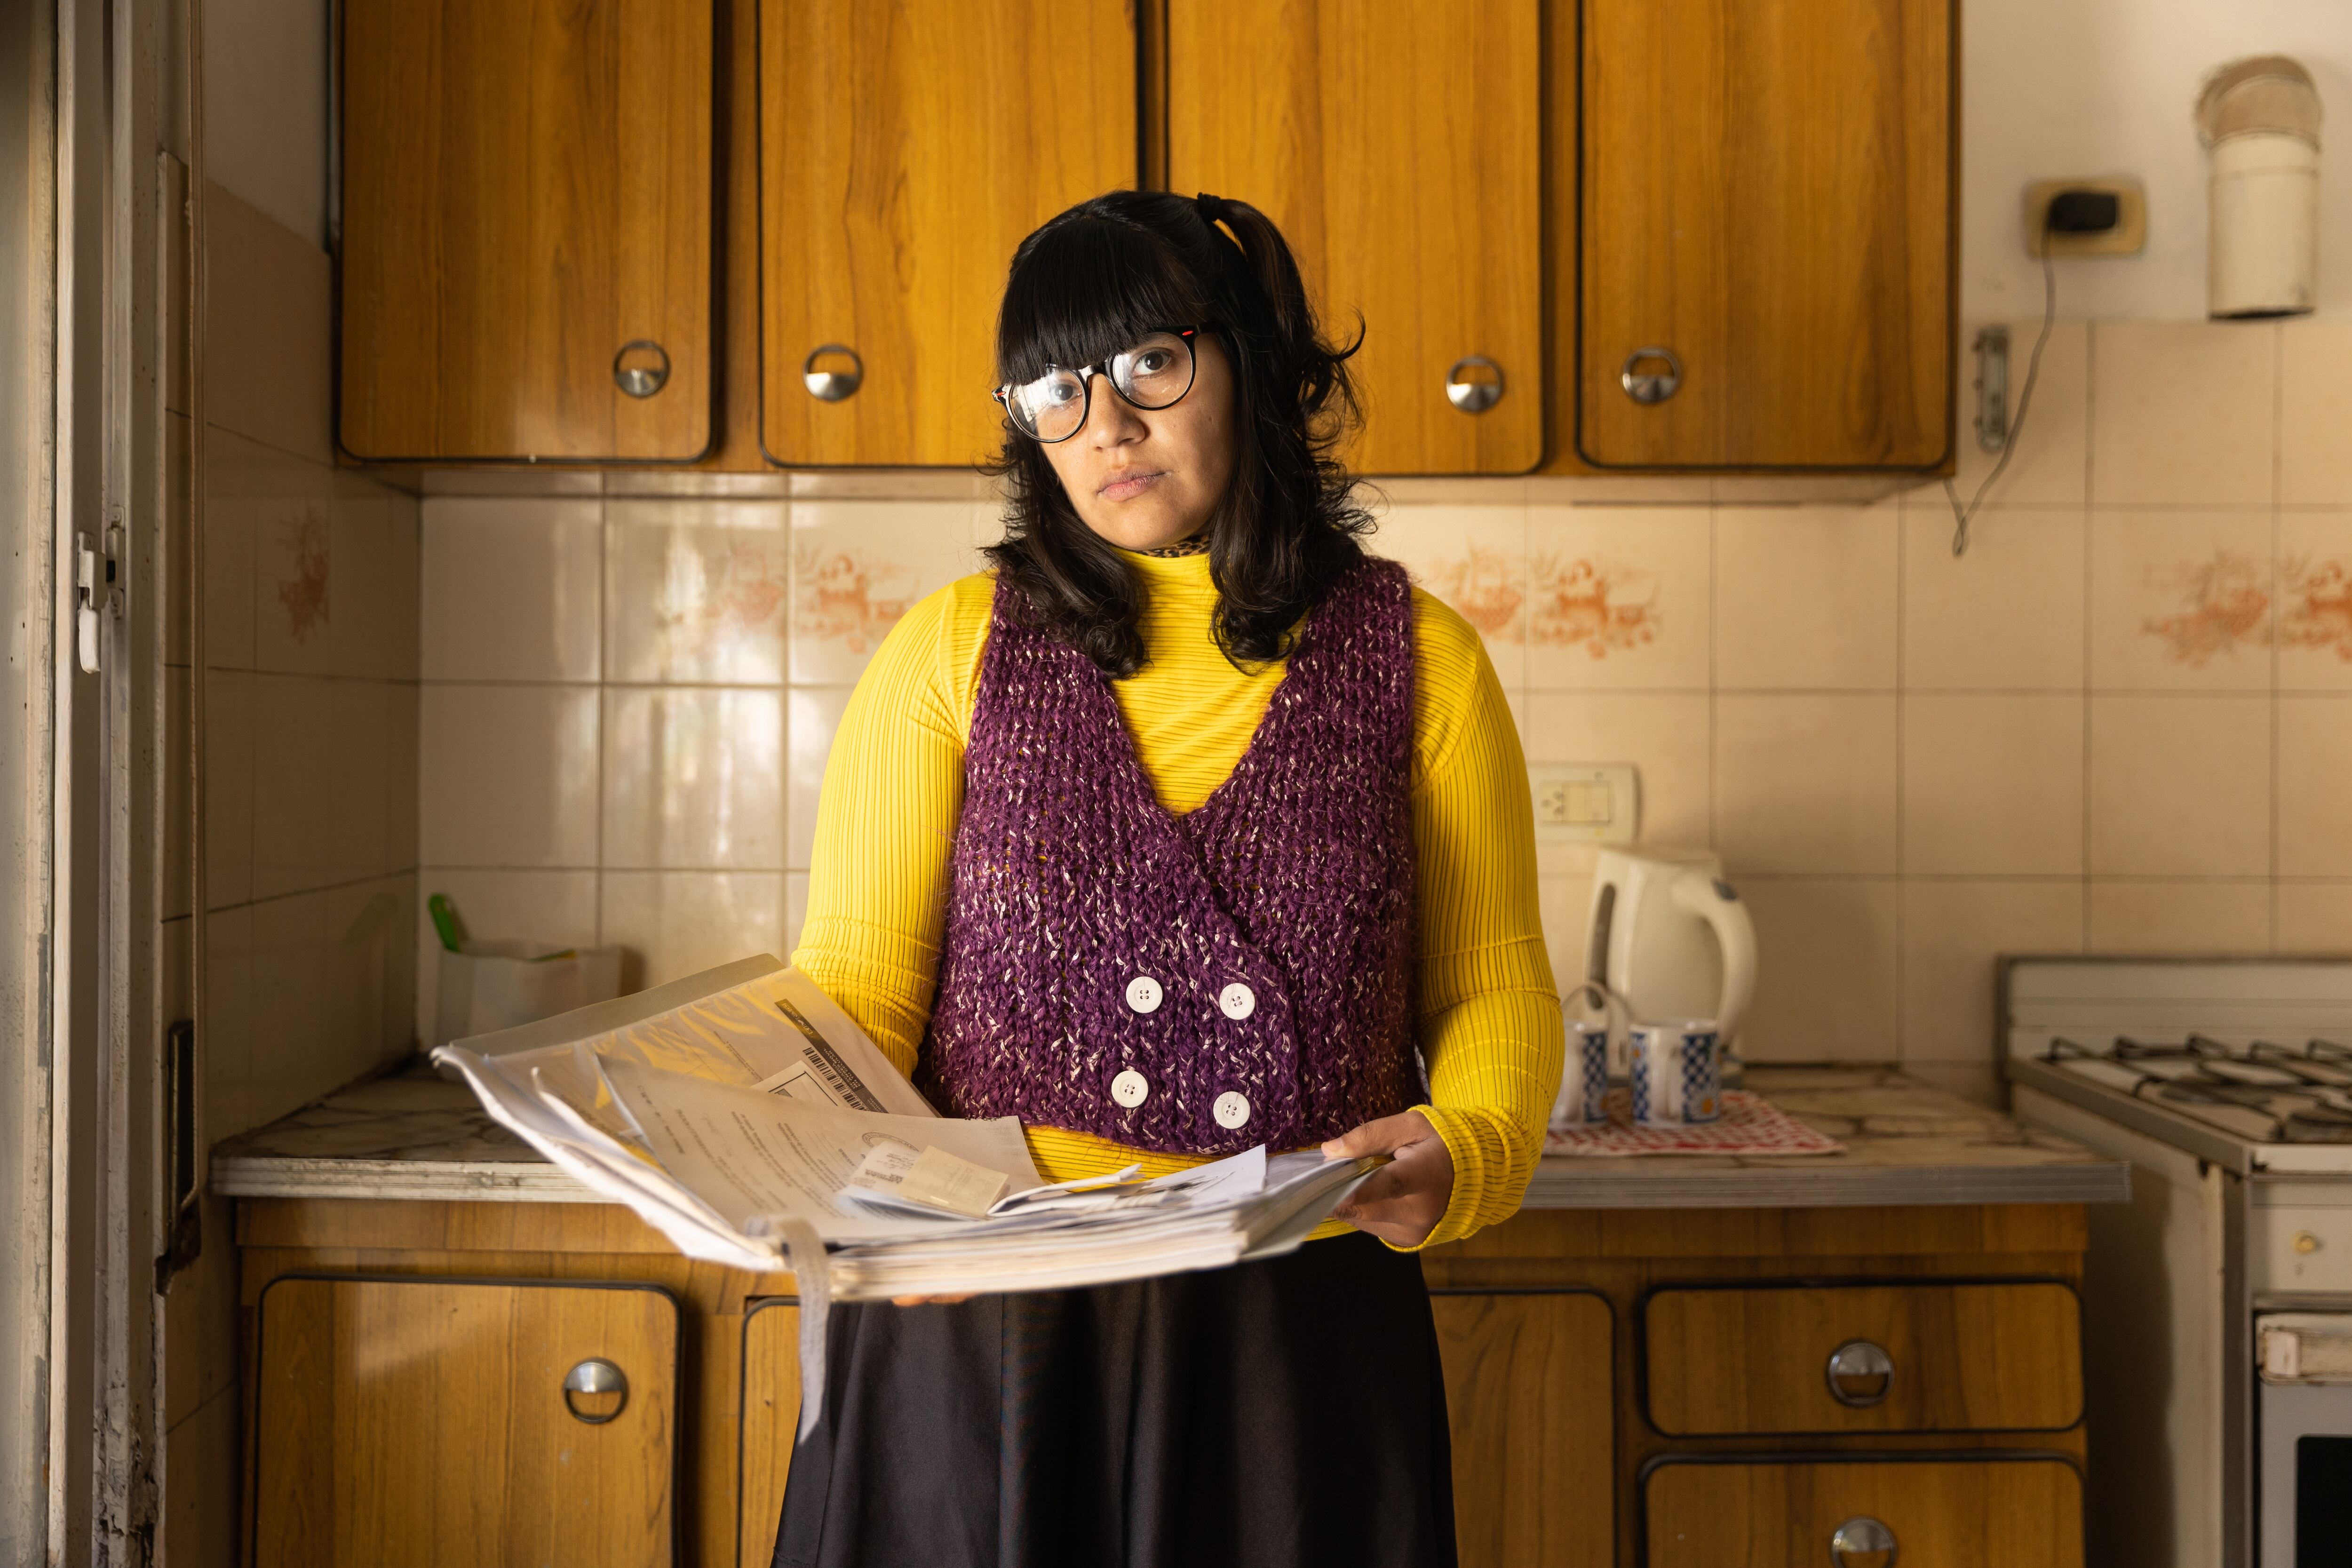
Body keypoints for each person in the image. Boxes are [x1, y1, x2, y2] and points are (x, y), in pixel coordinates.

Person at [777, 188, 1561, 1568]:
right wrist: (786, 1163)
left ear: (1251, 364)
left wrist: (1474, 1148)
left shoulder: (1423, 659)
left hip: (1293, 1338)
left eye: (1149, 363)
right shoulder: (948, 654)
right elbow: (853, 994)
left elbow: (1489, 983)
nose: (1105, 426)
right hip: (988, 1334)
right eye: (1054, 389)